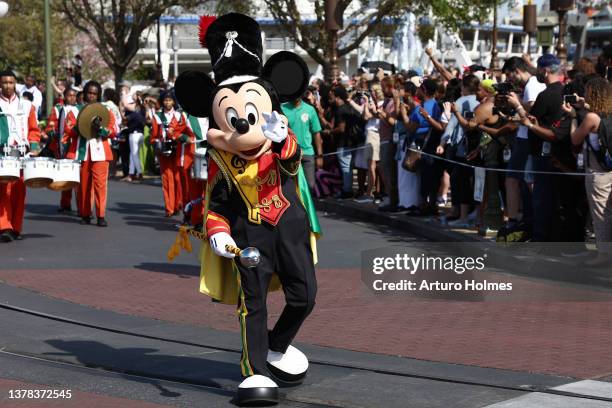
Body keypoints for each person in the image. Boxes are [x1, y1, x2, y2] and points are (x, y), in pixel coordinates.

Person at [565, 77, 611, 265]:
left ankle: (604, 256)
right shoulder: (605, 114)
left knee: (600, 214)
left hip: (598, 172)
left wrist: (574, 117)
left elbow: (575, 139)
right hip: (609, 169)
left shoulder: (591, 118)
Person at [63, 80, 118, 227]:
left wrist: (101, 129)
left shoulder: (106, 111)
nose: (92, 96)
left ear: (98, 95)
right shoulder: (74, 111)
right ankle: (85, 214)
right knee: (83, 186)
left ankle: (101, 215)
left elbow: (113, 131)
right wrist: (80, 126)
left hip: (101, 152)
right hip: (81, 153)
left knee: (101, 185)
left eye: (95, 93)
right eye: (89, 93)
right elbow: (68, 131)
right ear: (84, 94)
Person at [502, 56, 546, 234]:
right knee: (522, 180)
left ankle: (514, 220)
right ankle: (526, 217)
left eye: (510, 76)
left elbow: (533, 110)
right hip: (526, 136)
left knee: (514, 179)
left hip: (527, 138)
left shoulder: (532, 85)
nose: (510, 80)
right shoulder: (532, 85)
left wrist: (516, 102)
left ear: (517, 71)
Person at [0, 70, 41, 242]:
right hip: (2, 152)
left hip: (22, 153)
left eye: (11, 82)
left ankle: (16, 227)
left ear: (15, 83)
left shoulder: (26, 105)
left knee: (19, 191)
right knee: (3, 190)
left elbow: (34, 129)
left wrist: (34, 145)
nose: (8, 86)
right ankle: (5, 227)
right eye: (4, 82)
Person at [437, 74, 481, 227]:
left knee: (459, 180)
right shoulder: (481, 102)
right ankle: (474, 213)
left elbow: (451, 125)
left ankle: (462, 216)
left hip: (462, 148)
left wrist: (442, 142)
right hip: (479, 148)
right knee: (476, 182)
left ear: (465, 87)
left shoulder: (461, 102)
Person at [45, 87, 79, 212]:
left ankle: (82, 207)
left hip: (76, 145)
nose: (72, 98)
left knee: (78, 177)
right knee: (66, 176)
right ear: (64, 96)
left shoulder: (80, 109)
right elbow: (49, 127)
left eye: (74, 95)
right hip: (61, 145)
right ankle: (65, 204)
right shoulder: (57, 109)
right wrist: (53, 133)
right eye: (69, 95)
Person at [150, 92, 184, 217]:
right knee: (167, 179)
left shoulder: (179, 115)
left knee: (177, 178)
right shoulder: (157, 117)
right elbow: (152, 137)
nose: (167, 102)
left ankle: (178, 204)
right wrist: (158, 142)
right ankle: (169, 208)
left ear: (174, 102)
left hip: (178, 150)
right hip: (163, 151)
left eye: (170, 100)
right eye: (165, 100)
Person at [281, 91, 323, 191]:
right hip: (289, 154)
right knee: (292, 188)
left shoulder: (310, 109)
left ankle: (307, 206)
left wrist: (320, 156)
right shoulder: (282, 108)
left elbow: (316, 133)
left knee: (310, 186)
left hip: (307, 153)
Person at [125, 95, 146, 182]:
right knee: (132, 155)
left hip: (134, 135)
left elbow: (124, 120)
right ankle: (131, 174)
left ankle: (140, 173)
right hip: (141, 135)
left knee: (134, 155)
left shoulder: (134, 114)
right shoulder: (142, 112)